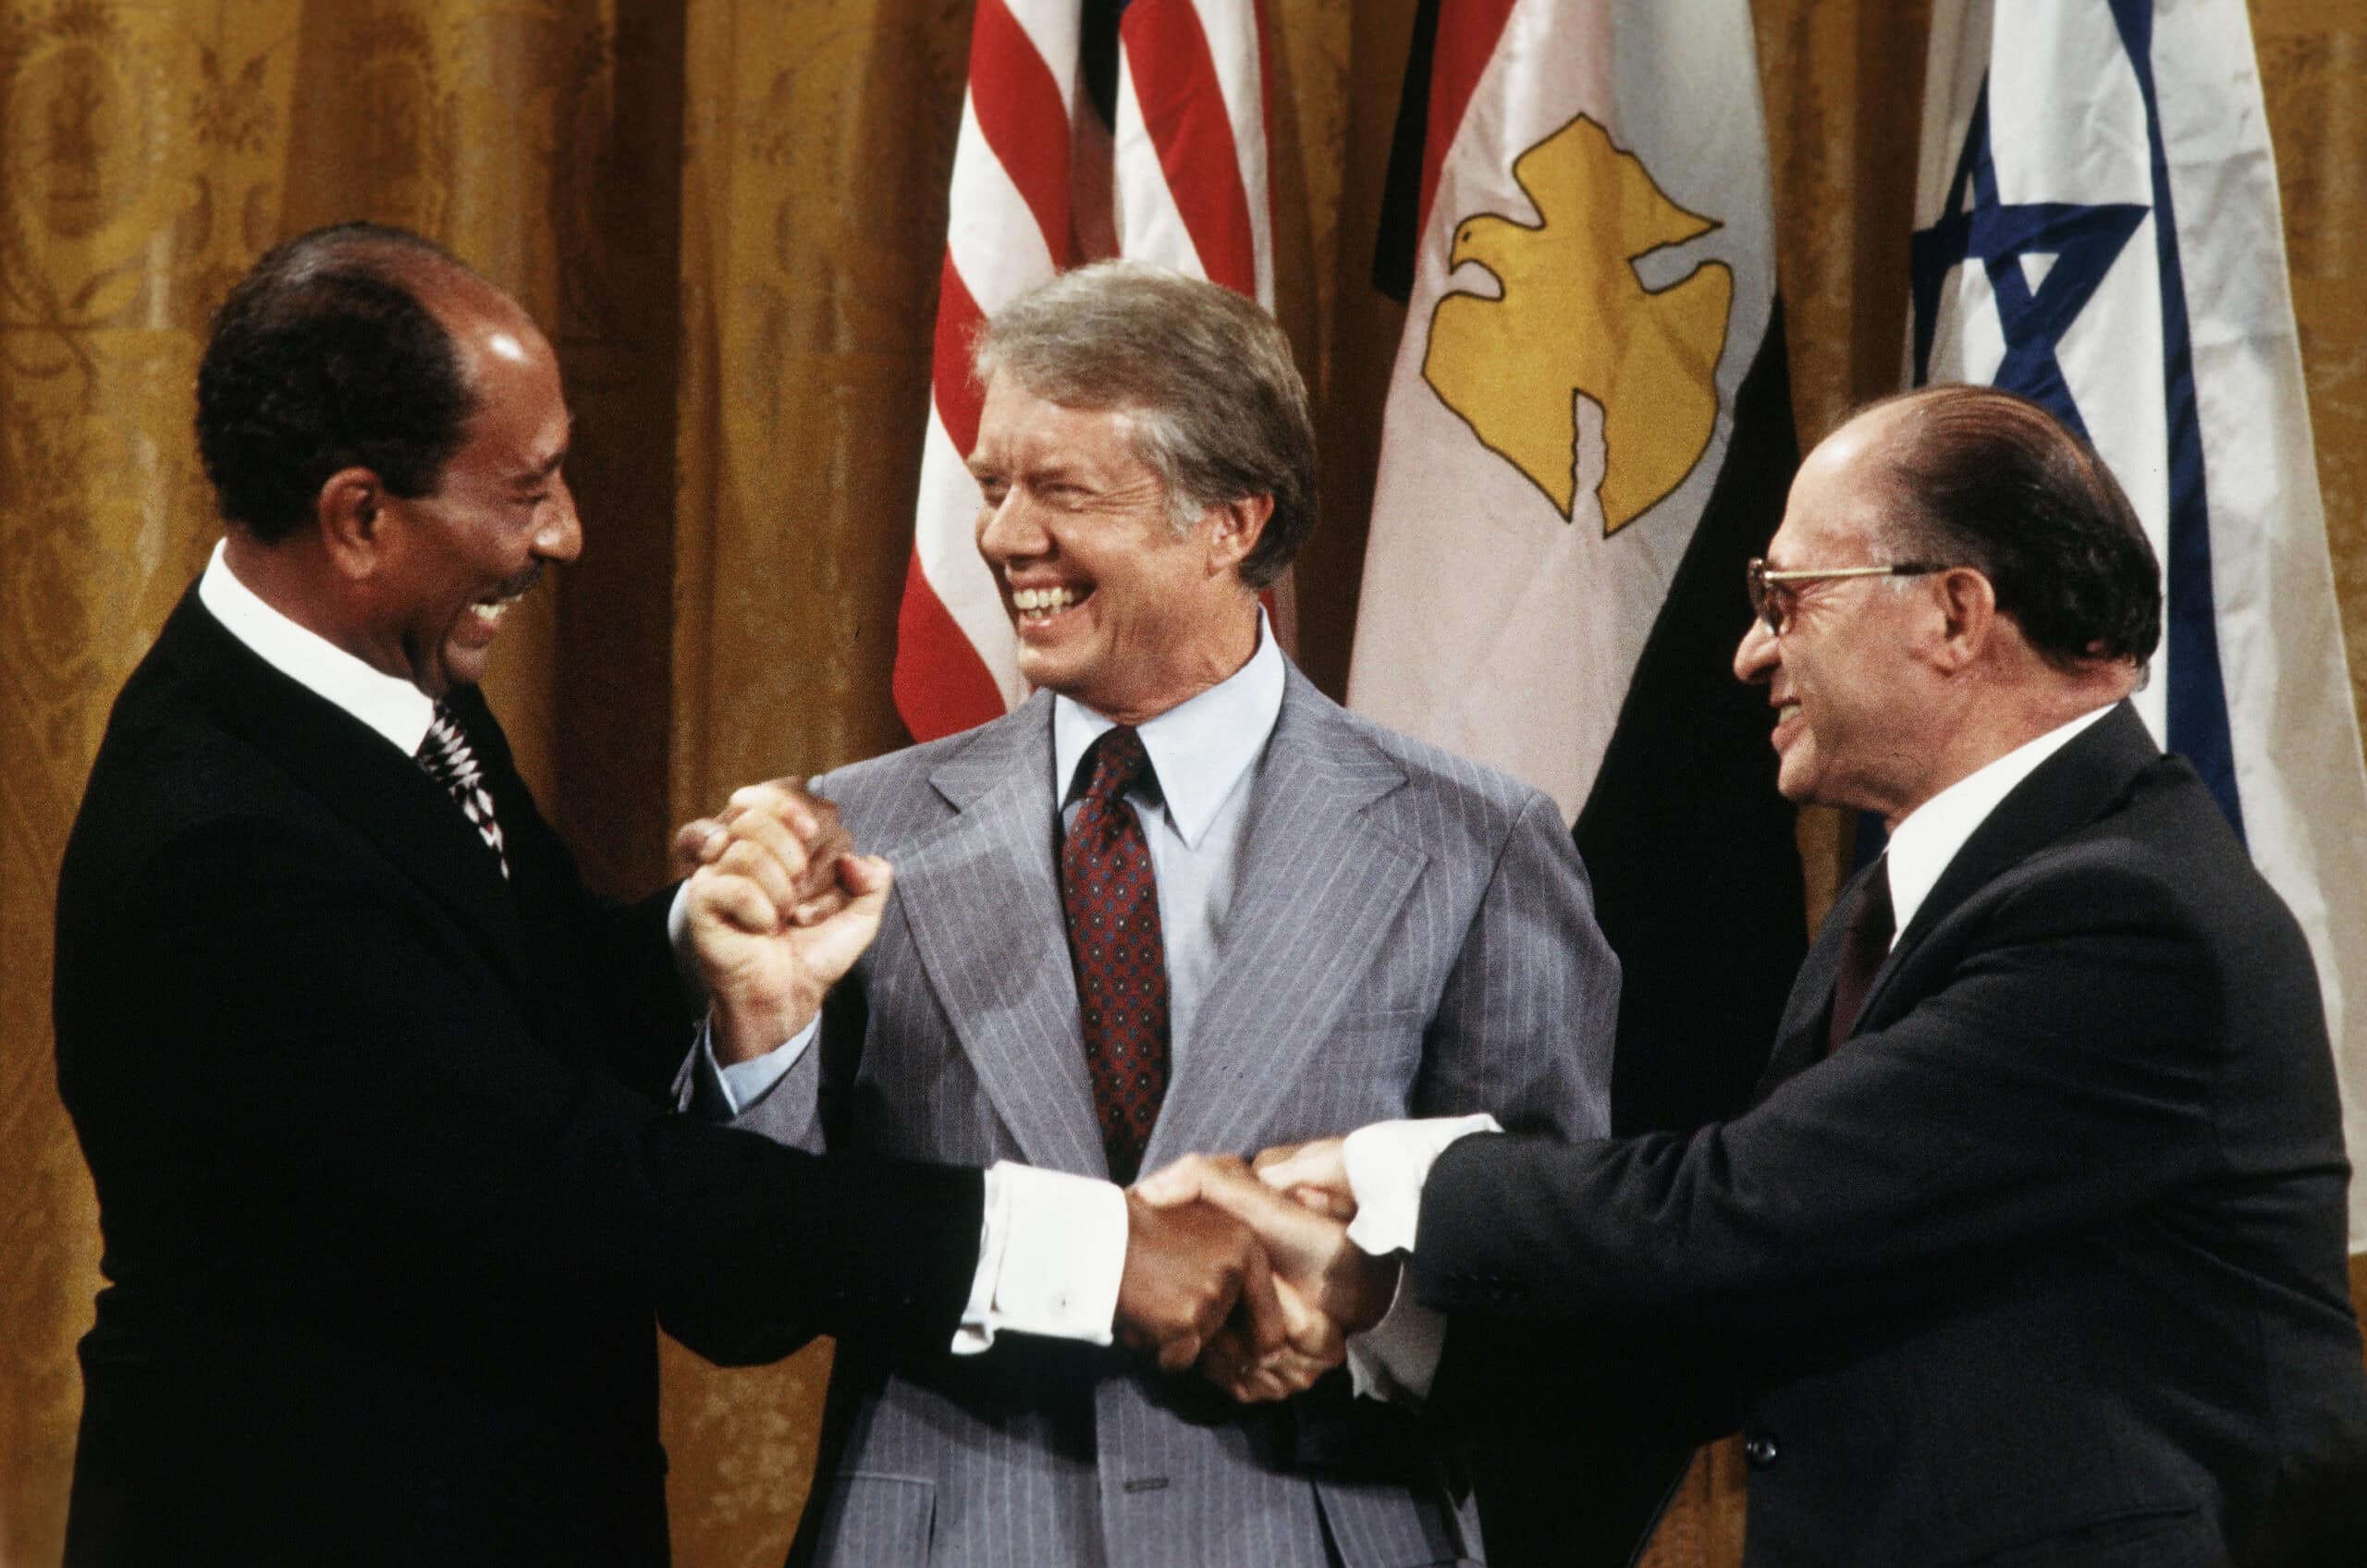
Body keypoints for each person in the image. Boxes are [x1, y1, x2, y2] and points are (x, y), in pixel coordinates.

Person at [51, 224, 1292, 1567]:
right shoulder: (220, 850)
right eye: (525, 492)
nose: (567, 533)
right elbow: (592, 1186)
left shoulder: (386, 686)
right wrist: (1102, 1250)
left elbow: (516, 1000)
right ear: (361, 517)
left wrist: (701, 942)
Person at [1191, 385, 2367, 1565]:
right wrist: (1375, 1303)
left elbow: (1735, 1209)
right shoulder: (1903, 904)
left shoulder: (2124, 915)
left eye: (1787, 598)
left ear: (1956, 613)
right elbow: (1755, 1297)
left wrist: (1375, 1167)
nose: (1751, 650)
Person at [685, 261, 1619, 1566]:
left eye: (1061, 490)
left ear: (1232, 522)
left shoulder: (1471, 843)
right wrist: (758, 1036)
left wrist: (1357, 1318)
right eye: (996, 484)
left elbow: (1556, 1294)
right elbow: (736, 1300)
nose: (1006, 537)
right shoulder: (854, 842)